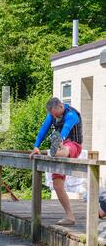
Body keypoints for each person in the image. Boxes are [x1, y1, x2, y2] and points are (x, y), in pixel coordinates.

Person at [30, 97, 83, 226]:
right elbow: (43, 129)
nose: (54, 116)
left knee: (65, 146)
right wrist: (36, 146)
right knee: (57, 185)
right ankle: (70, 217)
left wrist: (59, 141)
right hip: (58, 146)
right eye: (52, 114)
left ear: (61, 106)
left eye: (55, 113)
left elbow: (65, 129)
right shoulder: (52, 114)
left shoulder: (71, 114)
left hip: (73, 145)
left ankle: (56, 151)